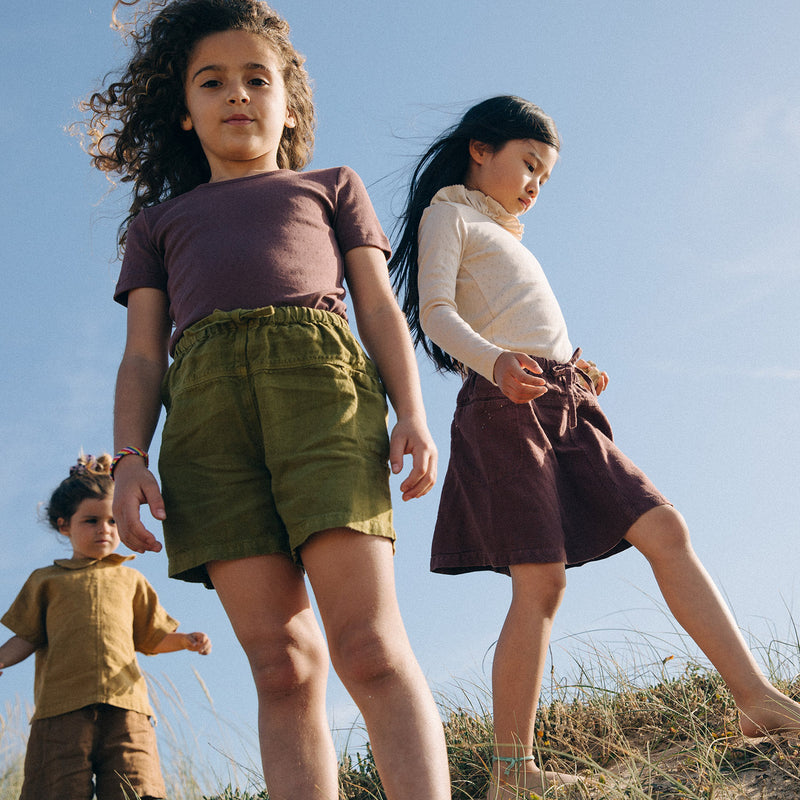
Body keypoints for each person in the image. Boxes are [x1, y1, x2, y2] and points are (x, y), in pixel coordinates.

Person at [81, 2, 450, 798]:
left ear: (289, 102)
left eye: (258, 78)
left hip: (320, 394)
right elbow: (143, 354)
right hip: (206, 420)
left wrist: (412, 412)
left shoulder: (331, 186)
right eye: (212, 82)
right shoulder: (156, 224)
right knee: (281, 668)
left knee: (369, 649)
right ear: (185, 111)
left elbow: (381, 308)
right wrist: (129, 460)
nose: (237, 95)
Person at [389, 94, 800, 798]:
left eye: (544, 179)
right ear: (480, 149)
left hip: (562, 401)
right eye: (528, 165)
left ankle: (756, 701)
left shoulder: (505, 233)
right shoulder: (447, 214)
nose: (534, 186)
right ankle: (511, 774)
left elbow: (521, 319)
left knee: (664, 527)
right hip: (505, 405)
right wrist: (497, 363)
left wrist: (573, 369)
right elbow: (437, 313)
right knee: (541, 583)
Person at [0, 454, 211, 800]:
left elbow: (151, 638)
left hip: (127, 708)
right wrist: (2, 660)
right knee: (56, 789)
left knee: (136, 788)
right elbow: (25, 636)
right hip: (60, 710)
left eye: (114, 521)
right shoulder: (45, 581)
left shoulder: (131, 581)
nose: (105, 530)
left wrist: (184, 640)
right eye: (92, 521)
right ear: (63, 524)